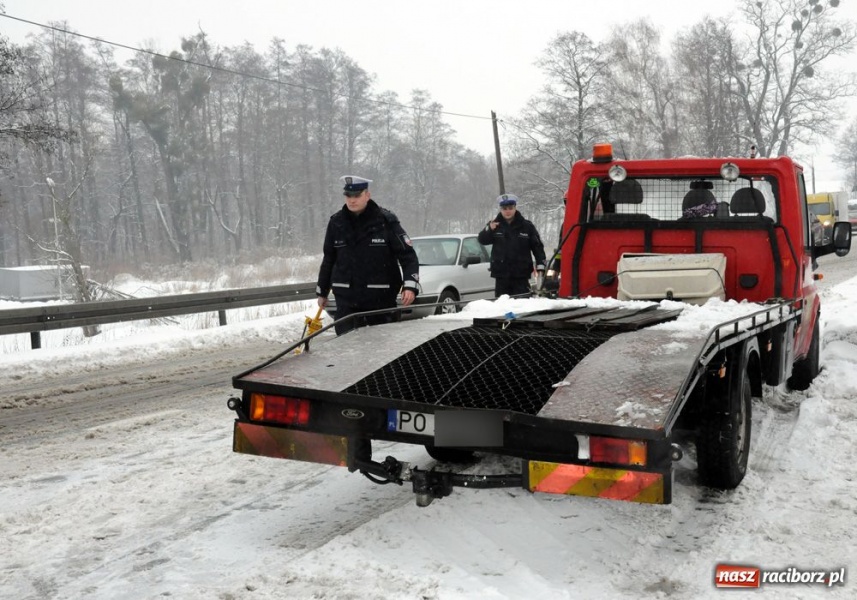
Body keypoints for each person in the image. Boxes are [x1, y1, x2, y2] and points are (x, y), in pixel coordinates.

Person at [316, 175, 420, 335]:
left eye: (357, 195)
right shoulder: (336, 223)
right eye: (348, 196)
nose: (352, 200)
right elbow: (329, 258)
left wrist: (410, 286)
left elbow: (408, 256)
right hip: (346, 303)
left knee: (382, 348)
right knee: (346, 347)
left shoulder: (385, 221)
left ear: (367, 195)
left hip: (380, 302)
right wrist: (322, 291)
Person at [477, 193, 546, 298]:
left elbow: (537, 247)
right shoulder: (494, 225)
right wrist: (489, 229)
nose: (507, 211)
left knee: (522, 304)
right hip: (501, 275)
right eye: (504, 209)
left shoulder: (526, 226)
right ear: (501, 209)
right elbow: (482, 240)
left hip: (521, 274)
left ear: (515, 208)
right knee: (502, 304)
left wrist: (540, 265)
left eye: (510, 208)